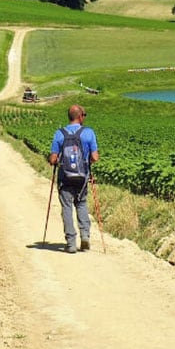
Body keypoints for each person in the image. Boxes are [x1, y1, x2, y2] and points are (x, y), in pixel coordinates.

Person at [48, 104, 99, 253]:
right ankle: (85, 236)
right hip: (82, 177)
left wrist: (54, 161)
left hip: (65, 178)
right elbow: (95, 157)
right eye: (84, 114)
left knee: (67, 208)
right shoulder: (88, 133)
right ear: (80, 116)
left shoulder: (59, 133)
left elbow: (53, 158)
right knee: (81, 204)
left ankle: (71, 243)